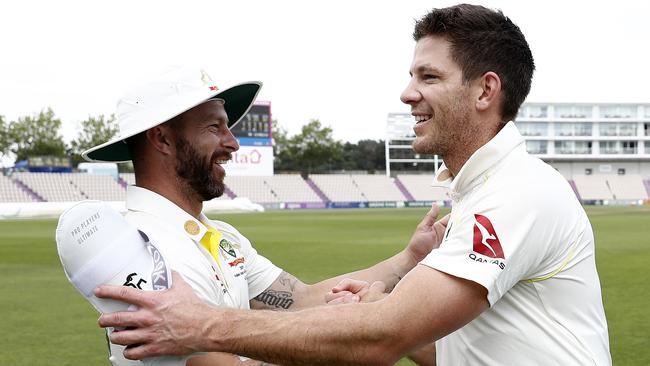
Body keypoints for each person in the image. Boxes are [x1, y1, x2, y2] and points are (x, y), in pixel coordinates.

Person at [95, 4, 612, 365]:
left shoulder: (514, 193)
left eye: (428, 77)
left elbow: (380, 335)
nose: (407, 93)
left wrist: (202, 326)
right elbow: (451, 349)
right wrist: (388, 295)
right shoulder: (137, 245)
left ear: (485, 91)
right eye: (215, 126)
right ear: (160, 140)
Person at [80, 65, 445, 365]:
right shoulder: (144, 251)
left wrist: (410, 258)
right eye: (214, 127)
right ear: (161, 140)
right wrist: (342, 332)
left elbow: (298, 299)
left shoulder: (218, 235)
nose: (233, 142)